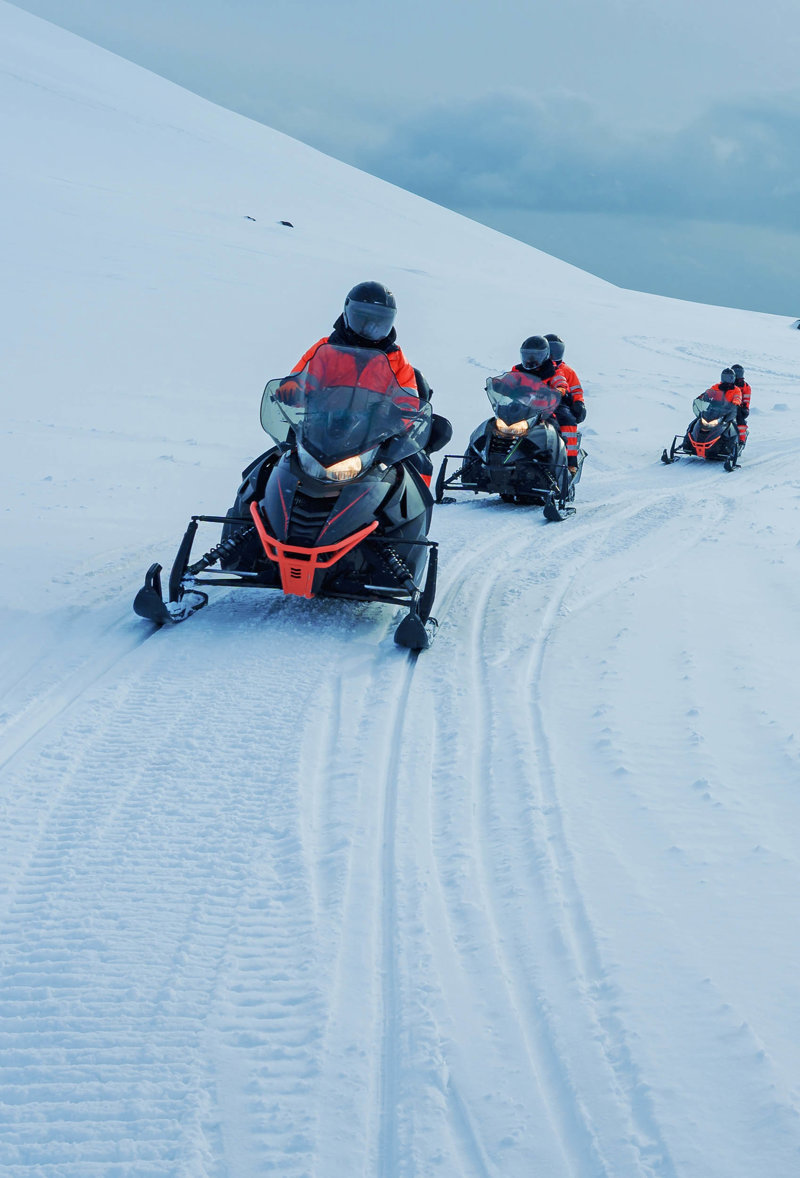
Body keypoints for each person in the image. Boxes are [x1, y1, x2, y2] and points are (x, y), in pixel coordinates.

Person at [281, 281, 451, 478]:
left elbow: (409, 396)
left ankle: (416, 508)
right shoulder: (325, 348)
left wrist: (399, 412)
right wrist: (291, 388)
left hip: (373, 432)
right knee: (277, 461)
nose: (370, 327)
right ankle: (249, 503)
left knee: (416, 463)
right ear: (348, 313)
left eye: (380, 321)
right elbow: (301, 376)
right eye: (363, 318)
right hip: (322, 426)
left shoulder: (395, 358)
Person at [513, 335, 580, 473]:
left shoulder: (554, 370)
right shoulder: (517, 369)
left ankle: (567, 462)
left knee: (561, 423)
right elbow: (509, 381)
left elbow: (561, 382)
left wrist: (560, 390)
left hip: (545, 407)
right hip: (523, 406)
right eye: (527, 355)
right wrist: (498, 386)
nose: (531, 359)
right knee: (496, 424)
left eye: (536, 355)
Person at [544, 333, 587, 437]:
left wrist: (578, 403)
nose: (553, 354)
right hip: (533, 403)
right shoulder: (534, 366)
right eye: (550, 350)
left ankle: (568, 451)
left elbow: (576, 390)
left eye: (556, 350)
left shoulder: (567, 371)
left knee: (568, 420)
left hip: (559, 404)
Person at [731, 363, 751, 446]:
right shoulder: (727, 383)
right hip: (725, 406)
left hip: (739, 408)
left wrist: (744, 407)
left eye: (739, 372)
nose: (738, 375)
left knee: (740, 420)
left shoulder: (746, 386)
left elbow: (746, 399)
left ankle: (741, 439)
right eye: (736, 372)